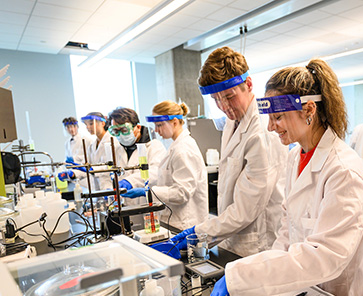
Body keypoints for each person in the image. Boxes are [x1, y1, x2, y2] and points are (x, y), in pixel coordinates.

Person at [207, 59, 363, 296]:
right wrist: (262, 286)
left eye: (277, 117)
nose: (270, 126)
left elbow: (323, 257)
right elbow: (287, 234)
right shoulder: (294, 158)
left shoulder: (343, 171)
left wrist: (240, 276)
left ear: (308, 110)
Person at [166, 47, 286, 257]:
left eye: (229, 96)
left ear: (248, 84)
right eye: (216, 99)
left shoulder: (263, 132)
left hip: (258, 243)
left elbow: (247, 208)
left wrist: (199, 232)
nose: (224, 106)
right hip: (233, 237)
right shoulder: (232, 123)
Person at [131, 101, 208, 229]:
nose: (156, 130)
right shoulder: (176, 145)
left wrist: (148, 192)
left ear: (175, 122)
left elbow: (182, 193)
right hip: (176, 220)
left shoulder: (183, 149)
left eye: (159, 125)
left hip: (185, 223)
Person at [107, 107, 166, 203]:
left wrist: (130, 181)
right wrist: (109, 191)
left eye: (124, 130)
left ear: (138, 127)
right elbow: (110, 175)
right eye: (116, 132)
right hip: (125, 206)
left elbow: (156, 172)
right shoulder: (117, 149)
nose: (121, 135)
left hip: (148, 204)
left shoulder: (154, 146)